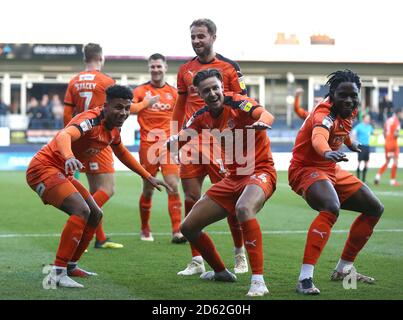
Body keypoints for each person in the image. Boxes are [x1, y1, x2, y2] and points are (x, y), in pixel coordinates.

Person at [27, 85, 170, 288]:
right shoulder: (91, 120)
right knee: (81, 210)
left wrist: (147, 176)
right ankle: (57, 272)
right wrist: (68, 157)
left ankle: (70, 266)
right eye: (118, 107)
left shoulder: (113, 129)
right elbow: (63, 136)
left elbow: (122, 153)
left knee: (95, 213)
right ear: (106, 105)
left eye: (127, 108)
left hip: (61, 172)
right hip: (43, 169)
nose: (123, 113)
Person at [168, 69, 276, 296]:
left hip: (260, 171)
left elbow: (265, 114)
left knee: (244, 209)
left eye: (215, 88)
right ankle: (220, 271)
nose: (213, 93)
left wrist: (262, 123)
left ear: (222, 87)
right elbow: (185, 133)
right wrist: (174, 143)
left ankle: (258, 282)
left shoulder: (239, 104)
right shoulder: (201, 115)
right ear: (199, 94)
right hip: (233, 178)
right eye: (206, 90)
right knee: (188, 227)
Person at [288, 70, 384, 295]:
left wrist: (349, 143)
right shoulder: (324, 113)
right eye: (343, 95)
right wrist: (326, 151)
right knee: (331, 207)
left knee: (374, 208)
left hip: (330, 168)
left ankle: (344, 269)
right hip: (305, 169)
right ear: (332, 94)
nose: (349, 100)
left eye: (353, 95)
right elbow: (319, 136)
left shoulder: (349, 110)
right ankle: (304, 278)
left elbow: (343, 129)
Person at [172, 18, 248, 276]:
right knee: (191, 198)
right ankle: (196, 260)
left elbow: (243, 103)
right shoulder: (184, 70)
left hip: (222, 143)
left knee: (231, 200)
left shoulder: (229, 68)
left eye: (201, 36)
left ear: (213, 36)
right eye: (192, 37)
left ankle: (239, 254)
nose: (196, 41)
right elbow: (180, 106)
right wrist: (175, 138)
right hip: (192, 142)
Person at [63, 43, 122, 249]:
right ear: (101, 57)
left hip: (79, 136)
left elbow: (66, 114)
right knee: (108, 189)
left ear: (84, 58)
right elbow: (117, 108)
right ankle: (81, 217)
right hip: (99, 137)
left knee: (95, 188)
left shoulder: (74, 81)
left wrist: (69, 138)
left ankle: (101, 238)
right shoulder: (106, 81)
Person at [131, 53, 184, 243]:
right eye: (152, 66)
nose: (155, 70)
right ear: (149, 68)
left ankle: (177, 231)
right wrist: (146, 103)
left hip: (168, 145)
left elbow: (181, 118)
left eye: (158, 66)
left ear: (165, 68)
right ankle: (145, 228)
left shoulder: (174, 93)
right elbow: (129, 108)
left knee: (173, 186)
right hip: (147, 146)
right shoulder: (140, 91)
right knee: (148, 189)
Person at [374, 108, 403, 186]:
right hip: (393, 144)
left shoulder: (388, 120)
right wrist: (398, 136)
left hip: (387, 143)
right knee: (395, 161)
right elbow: (395, 134)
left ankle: (377, 176)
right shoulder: (397, 122)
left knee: (387, 162)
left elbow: (384, 132)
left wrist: (387, 140)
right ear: (399, 113)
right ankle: (393, 181)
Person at [352, 114, 373, 183]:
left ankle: (363, 180)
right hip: (361, 146)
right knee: (359, 162)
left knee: (366, 162)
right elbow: (354, 132)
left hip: (367, 146)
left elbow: (372, 133)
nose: (368, 119)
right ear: (363, 119)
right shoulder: (359, 126)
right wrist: (355, 141)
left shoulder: (370, 127)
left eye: (369, 118)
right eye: (367, 118)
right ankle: (358, 179)